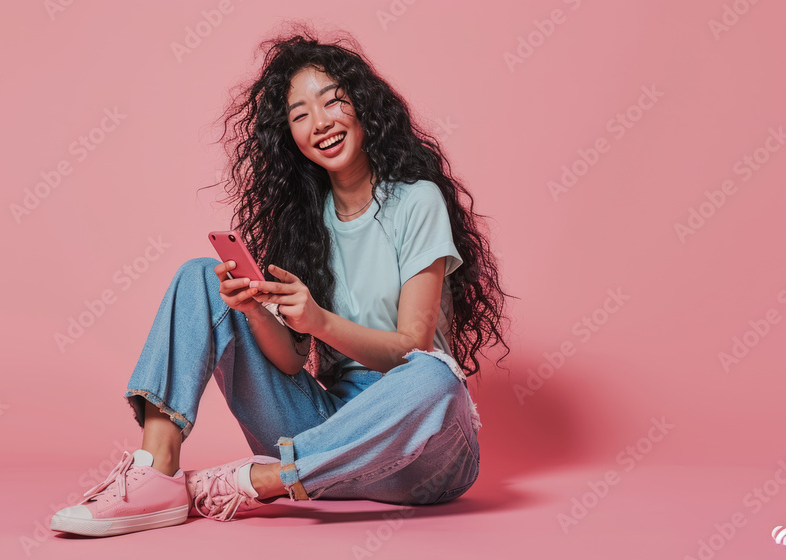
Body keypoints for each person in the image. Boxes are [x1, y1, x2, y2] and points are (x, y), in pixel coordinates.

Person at [50, 25, 509, 537]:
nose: (321, 122)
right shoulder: (304, 222)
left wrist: (319, 321)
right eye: (300, 114)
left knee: (434, 378)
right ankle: (156, 474)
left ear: (363, 105)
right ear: (289, 136)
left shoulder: (416, 201)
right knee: (199, 276)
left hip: (416, 451)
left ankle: (259, 480)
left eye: (333, 101)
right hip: (325, 437)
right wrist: (251, 311)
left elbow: (409, 348)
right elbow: (292, 361)